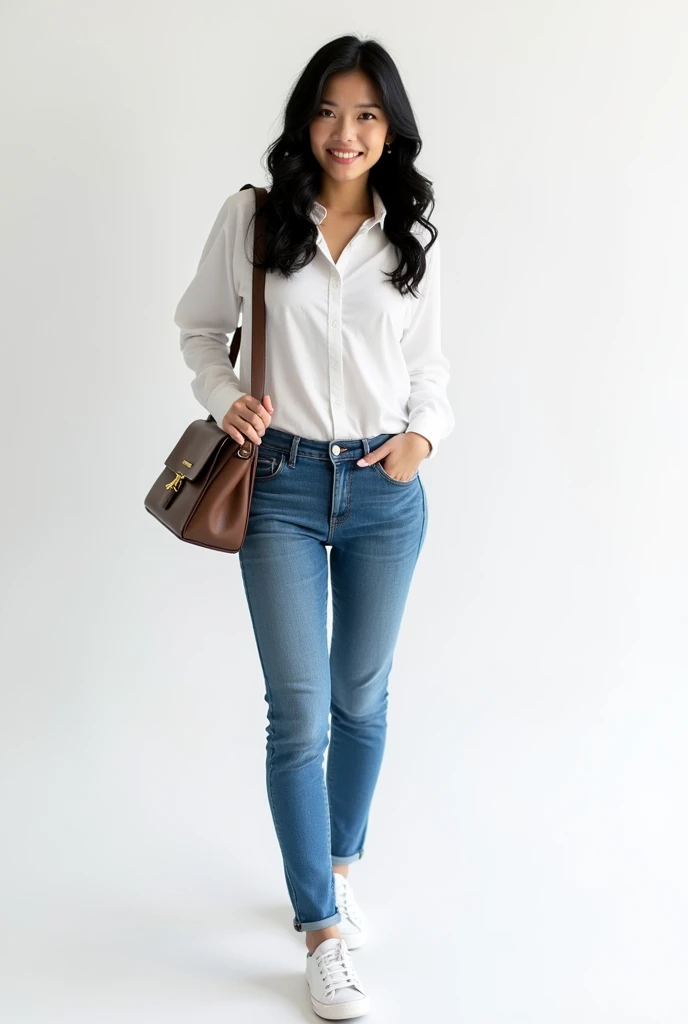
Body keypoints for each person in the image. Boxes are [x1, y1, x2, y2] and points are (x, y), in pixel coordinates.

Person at [173, 34, 455, 1021]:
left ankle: (336, 867)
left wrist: (422, 439)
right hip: (282, 487)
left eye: (368, 115)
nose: (347, 132)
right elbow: (200, 329)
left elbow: (432, 373)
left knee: (360, 701)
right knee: (296, 709)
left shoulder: (410, 235)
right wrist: (226, 399)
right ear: (305, 119)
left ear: (390, 131)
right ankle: (320, 933)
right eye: (330, 111)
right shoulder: (253, 217)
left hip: (383, 491)